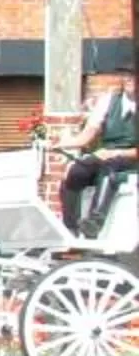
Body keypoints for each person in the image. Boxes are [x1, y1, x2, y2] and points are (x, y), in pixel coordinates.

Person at [56, 75, 139, 236]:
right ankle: (70, 227)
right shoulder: (109, 101)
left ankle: (95, 223)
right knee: (77, 170)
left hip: (132, 159)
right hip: (107, 155)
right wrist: (62, 143)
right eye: (127, 75)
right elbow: (87, 135)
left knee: (110, 169)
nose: (129, 79)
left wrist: (116, 152)